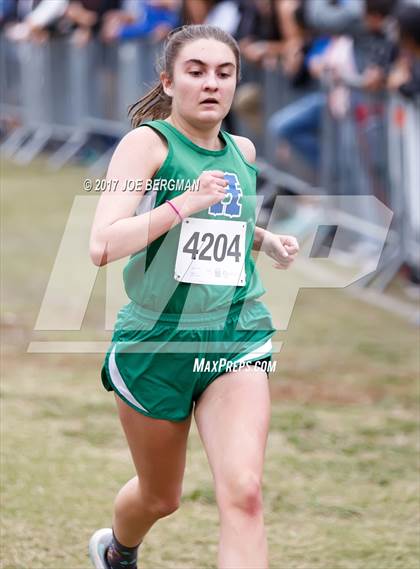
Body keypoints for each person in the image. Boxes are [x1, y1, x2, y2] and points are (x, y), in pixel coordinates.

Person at [88, 24, 299, 569]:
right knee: (161, 497)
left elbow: (224, 224)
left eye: (224, 73)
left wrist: (264, 239)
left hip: (236, 333)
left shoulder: (243, 151)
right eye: (196, 71)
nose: (212, 84)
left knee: (245, 493)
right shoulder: (146, 144)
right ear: (169, 80)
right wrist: (184, 202)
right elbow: (102, 243)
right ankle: (117, 549)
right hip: (157, 341)